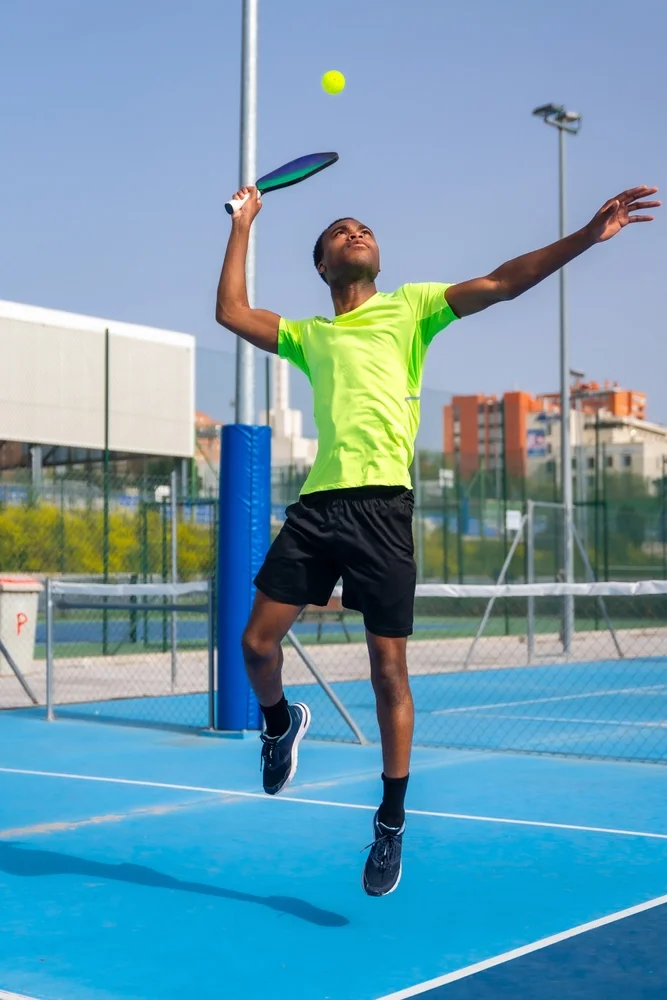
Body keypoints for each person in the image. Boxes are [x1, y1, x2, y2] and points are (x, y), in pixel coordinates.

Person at [215, 183, 659, 896]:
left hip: (383, 511)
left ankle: (389, 821)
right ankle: (278, 725)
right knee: (253, 646)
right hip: (318, 508)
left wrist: (584, 235)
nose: (356, 231)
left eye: (364, 226)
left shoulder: (412, 308)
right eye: (340, 231)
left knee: (389, 672)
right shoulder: (309, 334)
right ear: (323, 267)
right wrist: (244, 223)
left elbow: (502, 283)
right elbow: (230, 311)